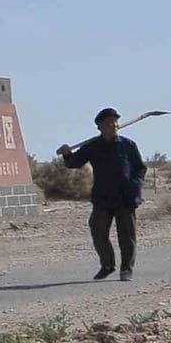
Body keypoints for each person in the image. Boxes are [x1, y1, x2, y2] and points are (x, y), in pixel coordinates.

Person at [56, 109, 148, 281]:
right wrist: (67, 154)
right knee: (98, 231)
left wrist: (135, 185)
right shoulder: (92, 147)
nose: (113, 125)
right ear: (100, 126)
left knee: (127, 236)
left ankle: (126, 270)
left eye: (115, 122)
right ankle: (107, 265)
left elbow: (140, 168)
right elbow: (74, 163)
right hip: (103, 197)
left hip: (125, 197)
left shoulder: (128, 145)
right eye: (108, 123)